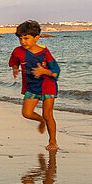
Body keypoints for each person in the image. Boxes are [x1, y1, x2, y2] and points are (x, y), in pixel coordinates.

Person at [8, 19, 60, 151]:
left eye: (26, 38)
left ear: (36, 38)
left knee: (48, 115)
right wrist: (15, 69)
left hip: (48, 85)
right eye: (20, 38)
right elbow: (14, 62)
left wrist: (44, 71)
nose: (23, 41)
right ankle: (41, 120)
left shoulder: (44, 52)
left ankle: (53, 141)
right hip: (31, 86)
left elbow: (56, 71)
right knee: (26, 113)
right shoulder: (18, 51)